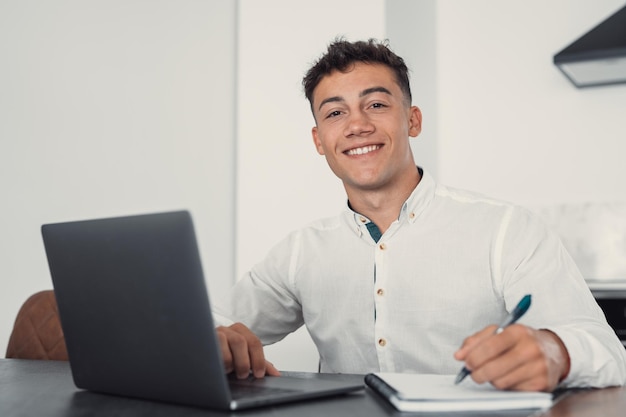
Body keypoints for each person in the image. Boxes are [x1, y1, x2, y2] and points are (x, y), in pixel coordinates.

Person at [213, 38, 626, 392]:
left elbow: (607, 351)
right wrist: (213, 341)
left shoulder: (506, 230)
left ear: (413, 120)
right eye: (335, 113)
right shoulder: (299, 252)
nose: (357, 125)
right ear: (319, 140)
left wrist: (555, 352)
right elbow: (217, 326)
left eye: (375, 104)